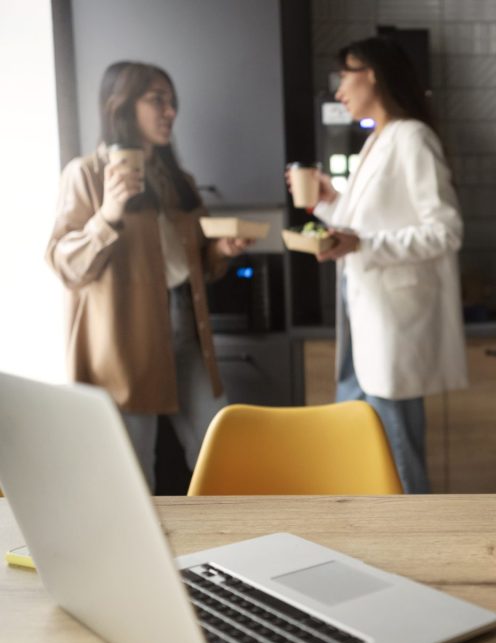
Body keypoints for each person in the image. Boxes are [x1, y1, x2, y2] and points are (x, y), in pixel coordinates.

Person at [46, 61, 250, 492]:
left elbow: (196, 263)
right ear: (121, 104)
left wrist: (221, 251)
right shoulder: (86, 175)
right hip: (125, 343)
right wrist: (108, 214)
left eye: (172, 101)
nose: (170, 111)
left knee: (223, 458)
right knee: (133, 476)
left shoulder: (180, 180)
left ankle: (232, 554)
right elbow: (65, 264)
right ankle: (141, 560)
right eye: (157, 99)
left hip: (186, 332)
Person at [299, 36, 467, 493]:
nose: (338, 92)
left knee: (396, 456)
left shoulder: (412, 137)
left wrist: (361, 241)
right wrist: (330, 202)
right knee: (359, 447)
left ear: (370, 72)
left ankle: (420, 548)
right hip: (363, 318)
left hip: (393, 325)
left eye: (343, 78)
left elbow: (446, 231)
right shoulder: (378, 138)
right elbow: (361, 229)